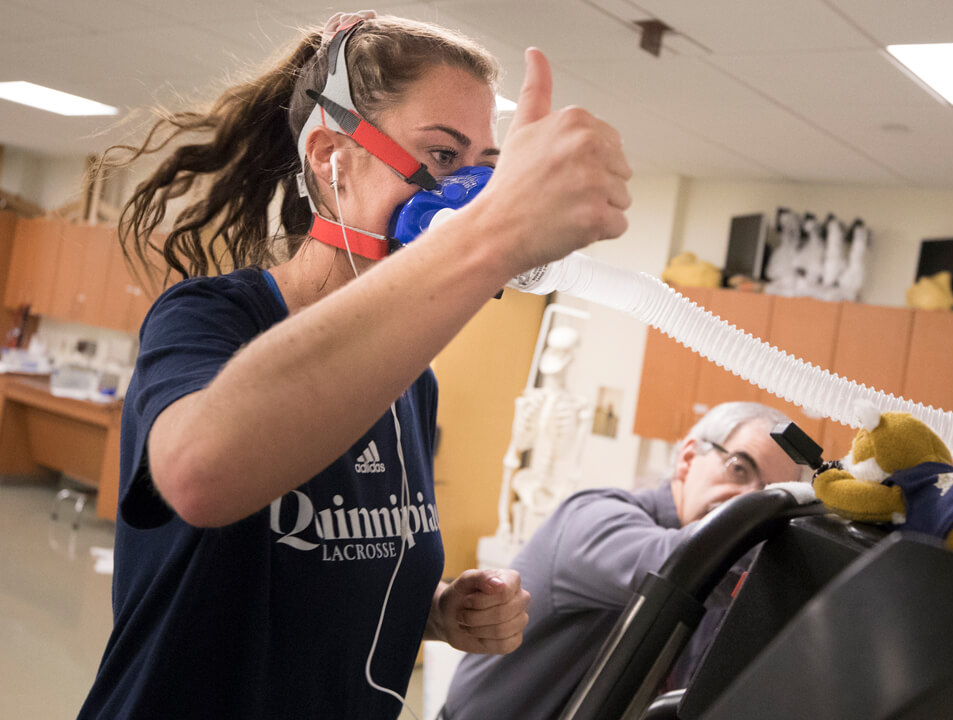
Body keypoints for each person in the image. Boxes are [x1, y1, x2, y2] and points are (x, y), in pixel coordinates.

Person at [77, 10, 630, 720]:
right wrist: (492, 237)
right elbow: (198, 475)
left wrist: (436, 612)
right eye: (441, 157)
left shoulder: (411, 384)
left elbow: (320, 583)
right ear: (330, 157)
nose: (465, 195)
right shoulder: (210, 319)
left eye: (484, 171)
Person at [442, 401, 808, 720]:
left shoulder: (721, 579)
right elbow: (683, 565)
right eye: (739, 469)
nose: (746, 500)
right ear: (686, 459)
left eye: (767, 494)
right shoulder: (594, 519)